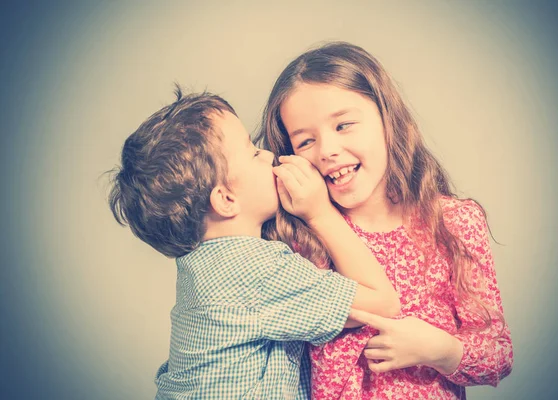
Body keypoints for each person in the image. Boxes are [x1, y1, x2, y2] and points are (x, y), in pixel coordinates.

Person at [256, 41, 513, 399]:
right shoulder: (299, 238)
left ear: (387, 119)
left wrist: (440, 349)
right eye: (305, 141)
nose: (327, 150)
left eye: (343, 125)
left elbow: (498, 355)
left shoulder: (453, 222)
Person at [107, 86, 400, 399]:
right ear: (227, 199)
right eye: (253, 152)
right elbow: (383, 304)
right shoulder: (255, 268)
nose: (270, 155)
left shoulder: (200, 265)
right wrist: (321, 213)